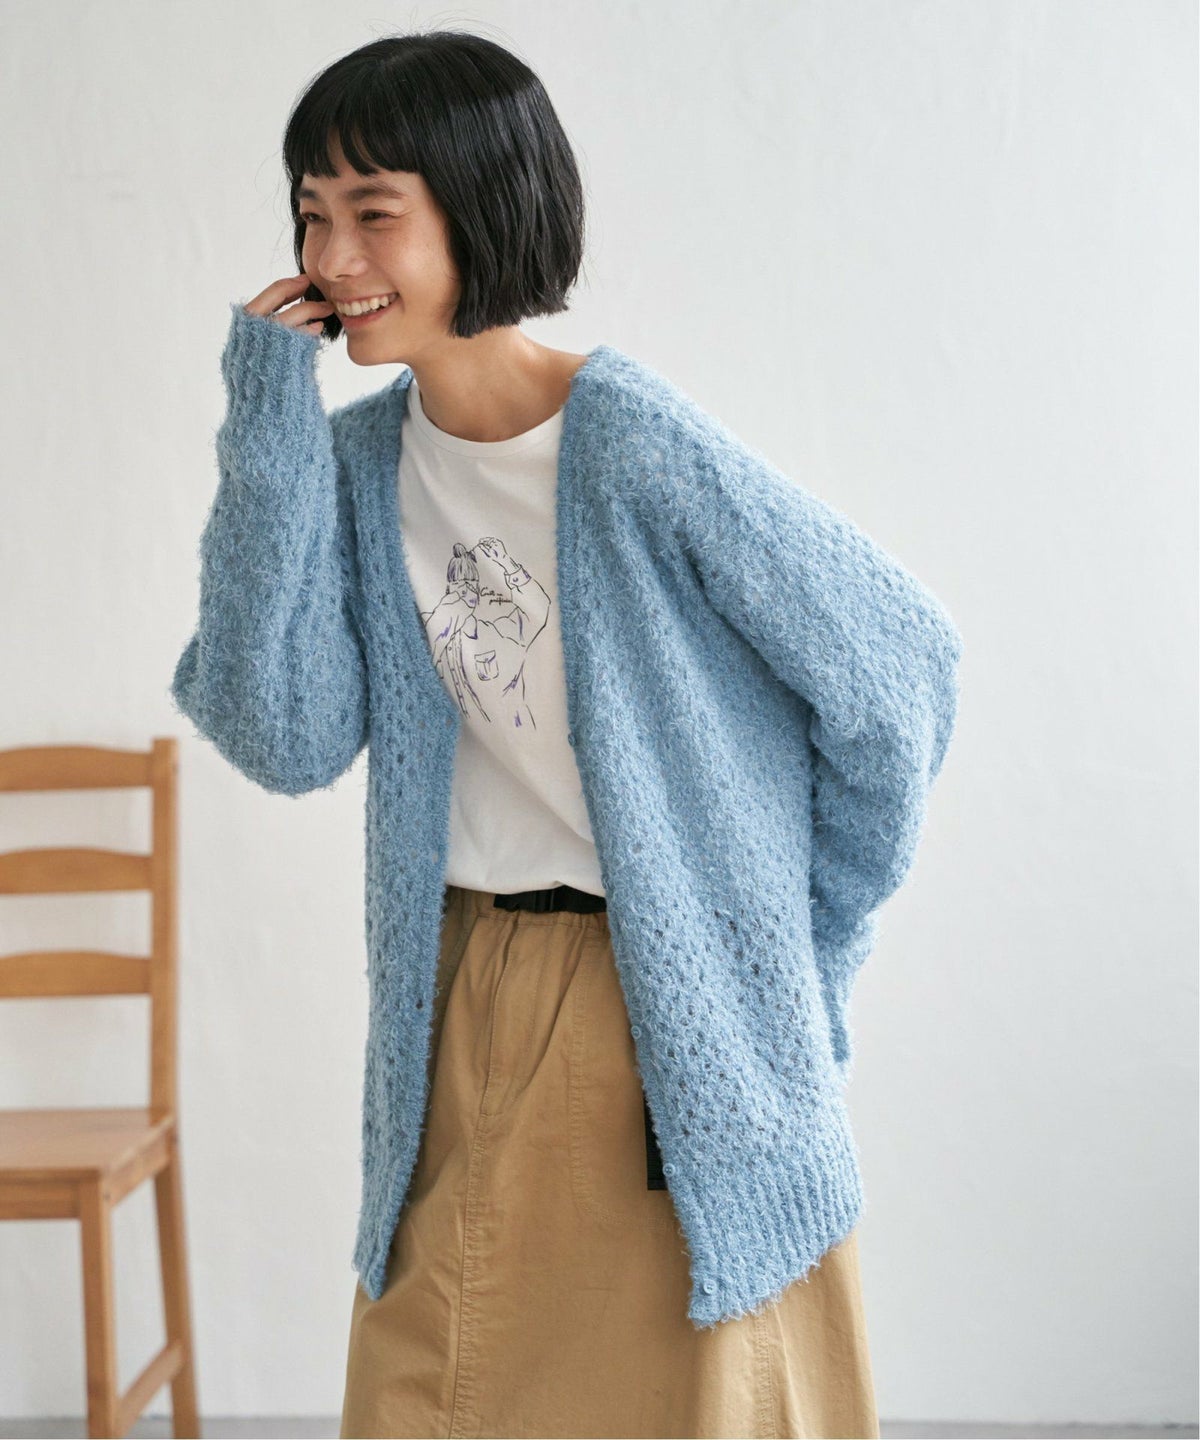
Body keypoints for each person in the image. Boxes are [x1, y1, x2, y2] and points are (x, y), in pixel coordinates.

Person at [172, 28, 964, 1440]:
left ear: (482, 209)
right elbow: (280, 732)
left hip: (651, 1008)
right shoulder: (353, 469)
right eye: (309, 212)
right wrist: (266, 426)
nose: (332, 256)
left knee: (677, 1392)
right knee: (432, 1382)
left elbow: (897, 674)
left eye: (373, 212)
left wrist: (801, 934)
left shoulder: (633, 446)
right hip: (453, 985)